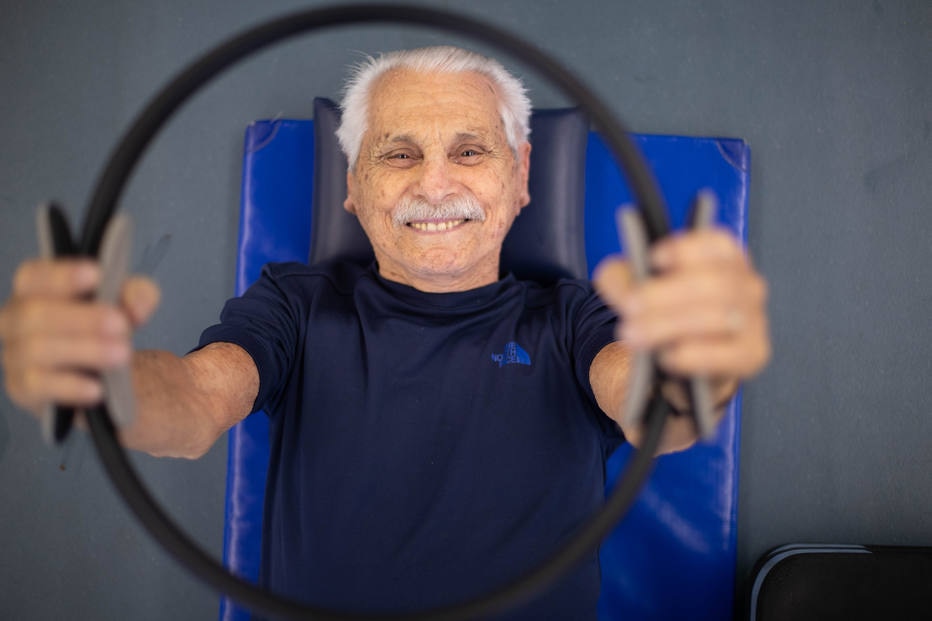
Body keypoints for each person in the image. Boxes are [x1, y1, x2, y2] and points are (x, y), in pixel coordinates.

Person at [0, 46, 769, 618]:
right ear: (354, 188)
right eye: (399, 154)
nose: (434, 183)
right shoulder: (295, 304)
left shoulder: (570, 319)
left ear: (521, 176)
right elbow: (198, 397)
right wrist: (103, 377)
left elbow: (653, 401)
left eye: (469, 151)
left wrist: (692, 364)